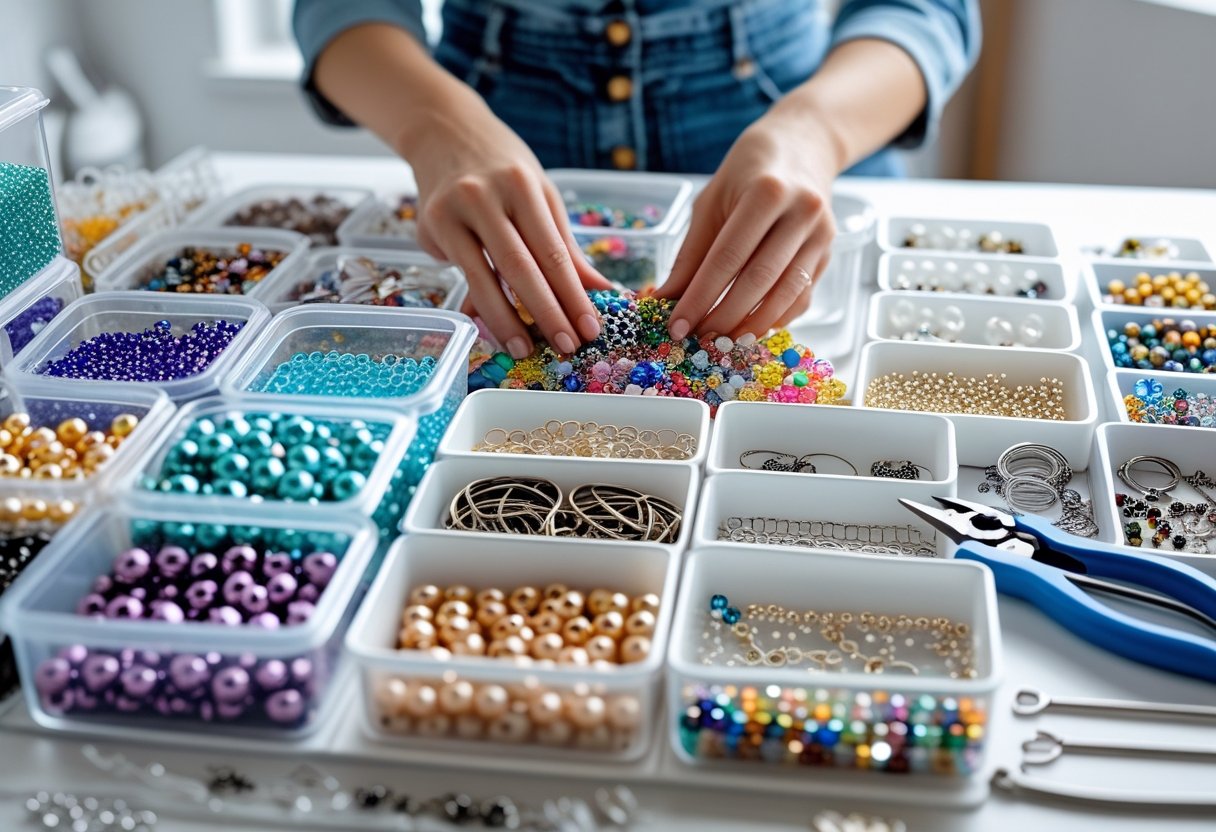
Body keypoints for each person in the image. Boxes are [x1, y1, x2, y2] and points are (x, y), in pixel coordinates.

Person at [294, 0, 979, 357]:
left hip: (801, 153)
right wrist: (436, 129)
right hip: (483, 159)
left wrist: (815, 134)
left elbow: (924, 7)